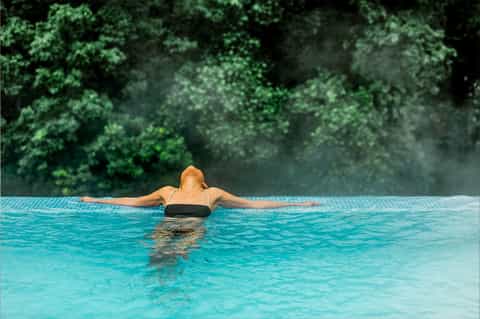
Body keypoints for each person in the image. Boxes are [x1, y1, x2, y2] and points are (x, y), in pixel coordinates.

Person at [80, 165, 320, 264]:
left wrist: (96, 199)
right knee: (176, 253)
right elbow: (252, 205)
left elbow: (132, 202)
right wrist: (297, 205)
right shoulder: (210, 194)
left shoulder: (170, 192)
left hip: (168, 223)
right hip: (195, 226)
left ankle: (162, 285)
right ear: (203, 183)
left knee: (158, 254)